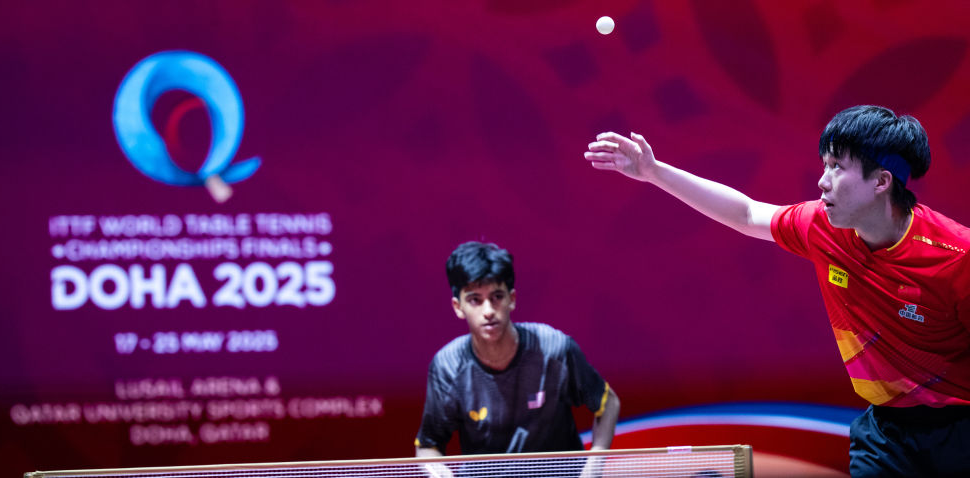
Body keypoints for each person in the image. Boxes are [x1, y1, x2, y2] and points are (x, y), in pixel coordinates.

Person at [585, 105, 970, 477]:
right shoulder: (822, 228)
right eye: (825, 165)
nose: (823, 181)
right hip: (885, 434)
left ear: (881, 182)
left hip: (959, 427)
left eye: (837, 167)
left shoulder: (956, 257)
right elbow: (747, 213)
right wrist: (653, 172)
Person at [414, 241, 620, 473]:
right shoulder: (447, 366)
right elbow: (428, 446)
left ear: (512, 299)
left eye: (496, 296)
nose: (488, 311)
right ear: (458, 307)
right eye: (475, 300)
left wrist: (593, 466)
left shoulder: (554, 349)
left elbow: (609, 403)